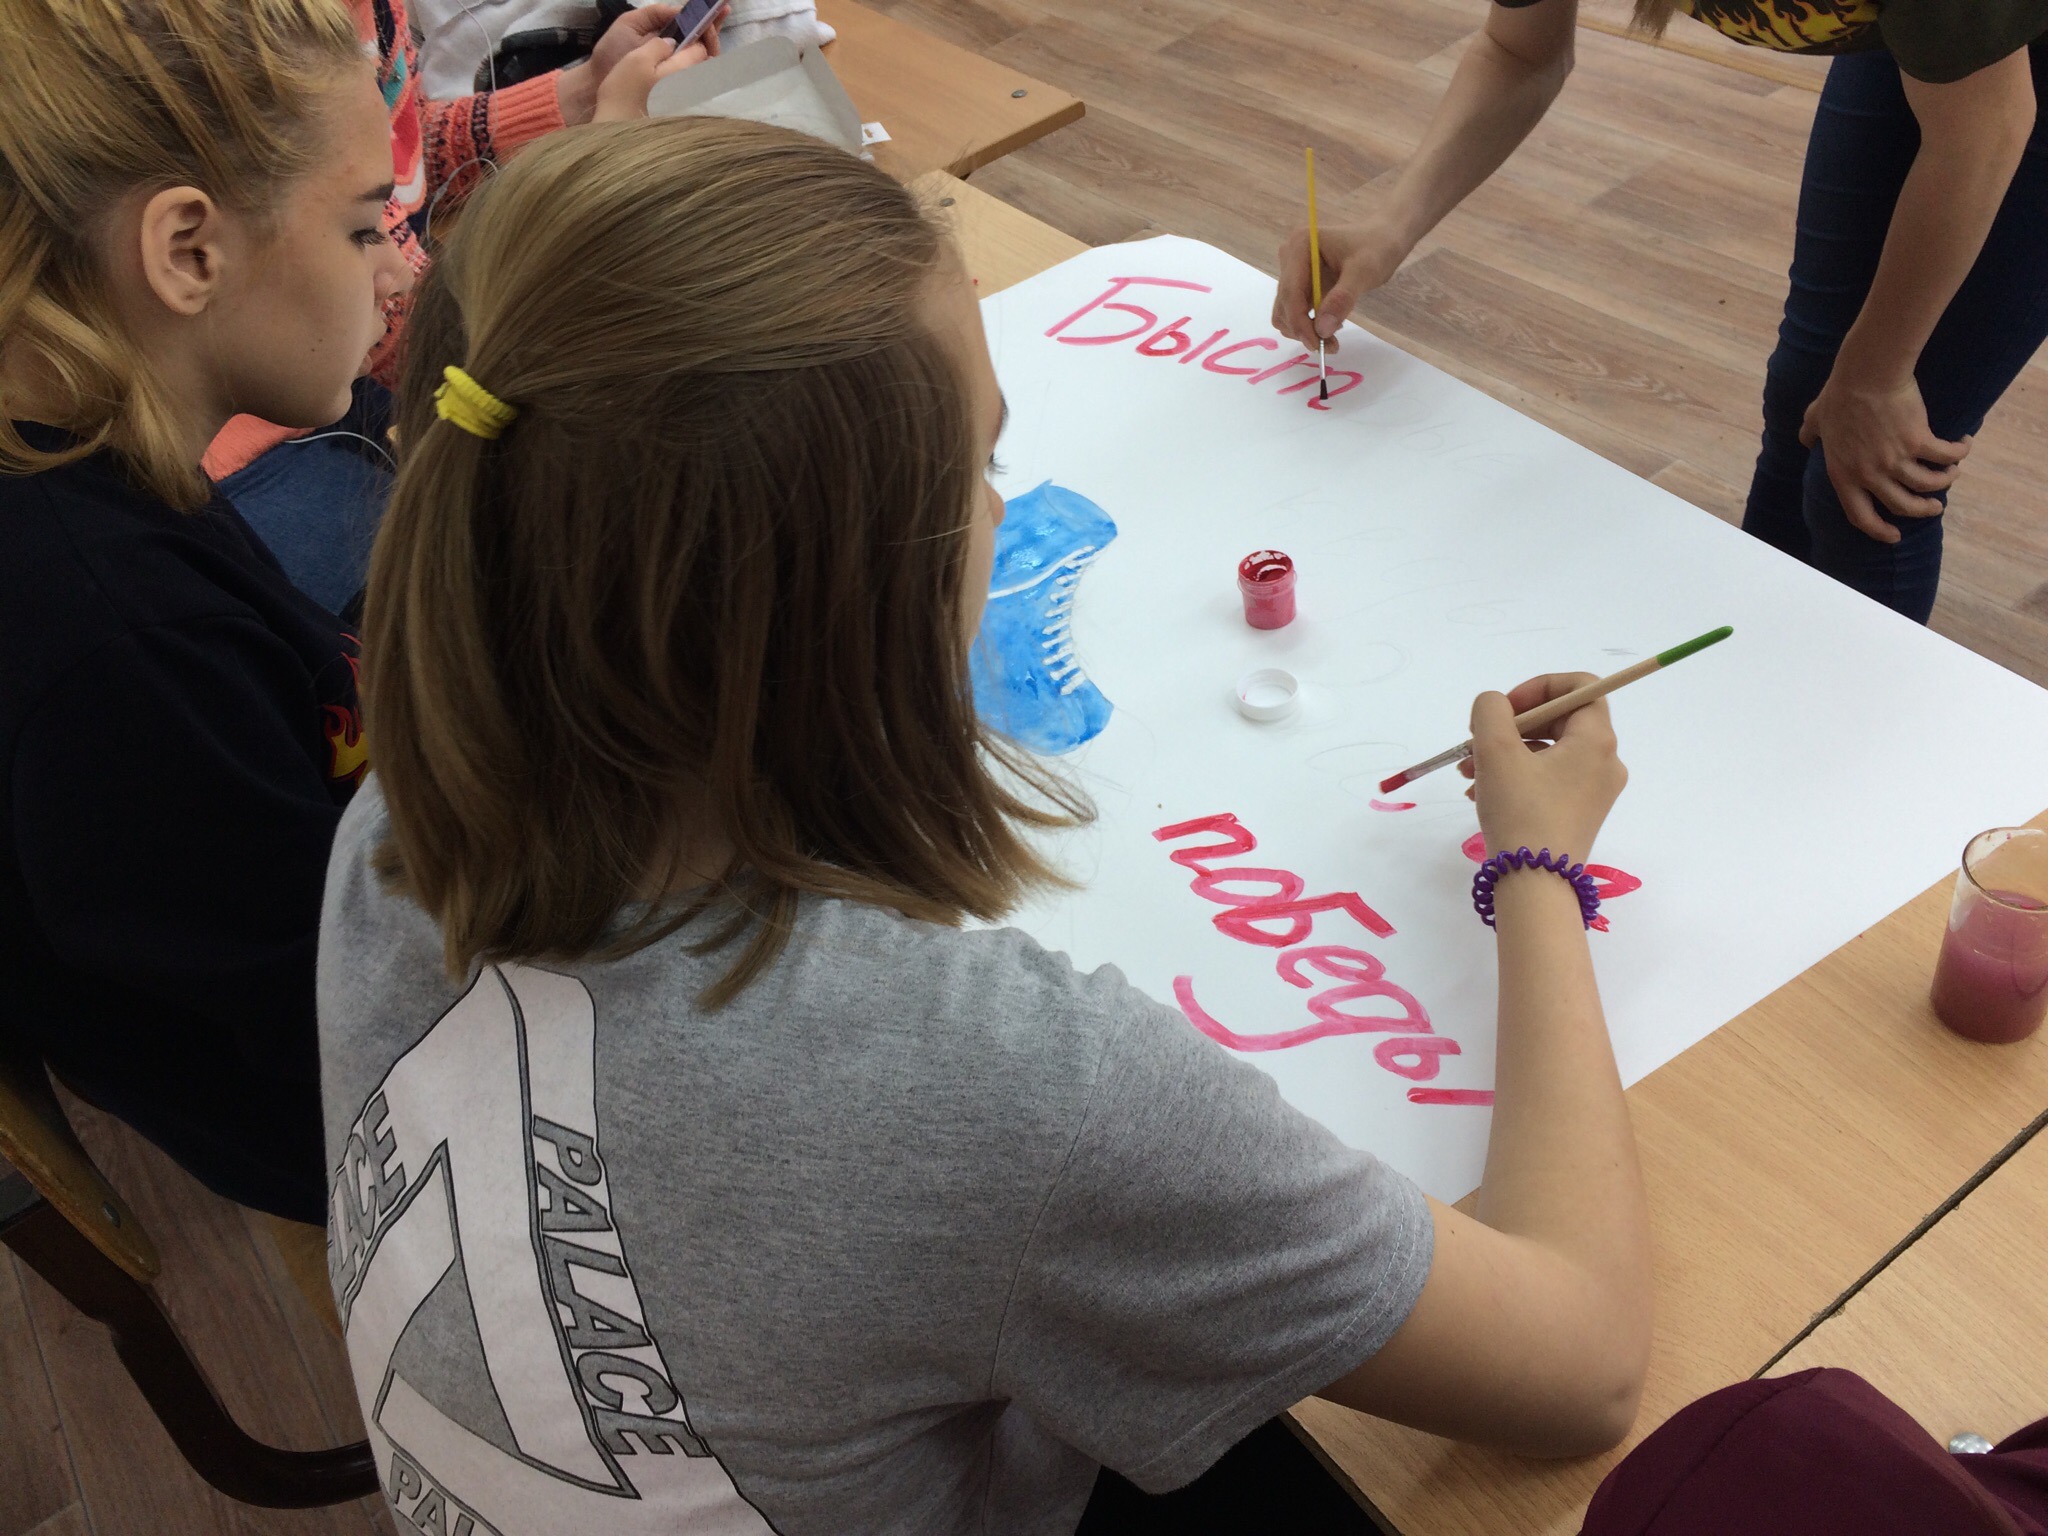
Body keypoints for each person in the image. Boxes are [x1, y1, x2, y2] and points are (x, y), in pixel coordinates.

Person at [321, 115, 1651, 1532]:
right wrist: (1536, 869)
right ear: (856, 603)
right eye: (979, 465)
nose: (1005, 513)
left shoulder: (399, 823)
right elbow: (1581, 1360)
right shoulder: (1008, 1090)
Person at [0, 0, 411, 1231]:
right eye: (361, 229)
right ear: (187, 250)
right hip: (360, 1112)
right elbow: (348, 1017)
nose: (394, 271)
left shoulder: (89, 467)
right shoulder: (123, 643)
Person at [1274, 0, 2048, 625]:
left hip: (2010, 82)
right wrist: (1391, 226)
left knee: (1872, 472)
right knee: (1806, 402)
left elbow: (1985, 132)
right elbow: (1520, 50)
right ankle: (1752, 690)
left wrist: (1877, 377)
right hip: (1943, 45)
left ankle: (1855, 750)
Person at [204, 0, 716, 613]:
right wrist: (593, 189)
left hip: (357, 363)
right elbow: (378, 298)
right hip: (273, 422)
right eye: (363, 232)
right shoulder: (228, 39)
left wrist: (584, 94)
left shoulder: (364, 20)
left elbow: (390, 151)